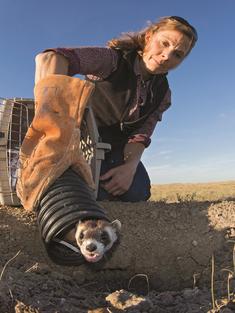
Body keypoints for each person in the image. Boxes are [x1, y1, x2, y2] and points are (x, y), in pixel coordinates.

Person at [35, 16, 197, 202]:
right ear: (149, 37)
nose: (167, 56)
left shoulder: (163, 93)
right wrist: (52, 127)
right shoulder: (112, 60)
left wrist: (130, 167)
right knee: (84, 190)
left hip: (115, 149)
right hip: (79, 141)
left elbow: (142, 134)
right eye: (164, 43)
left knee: (138, 191)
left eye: (177, 54)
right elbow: (51, 57)